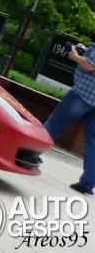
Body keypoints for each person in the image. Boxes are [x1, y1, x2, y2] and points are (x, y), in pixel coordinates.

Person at [43, 40, 95, 195]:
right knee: (93, 142)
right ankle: (87, 183)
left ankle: (26, 154)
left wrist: (75, 56)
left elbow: (91, 65)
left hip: (83, 94)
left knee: (54, 124)